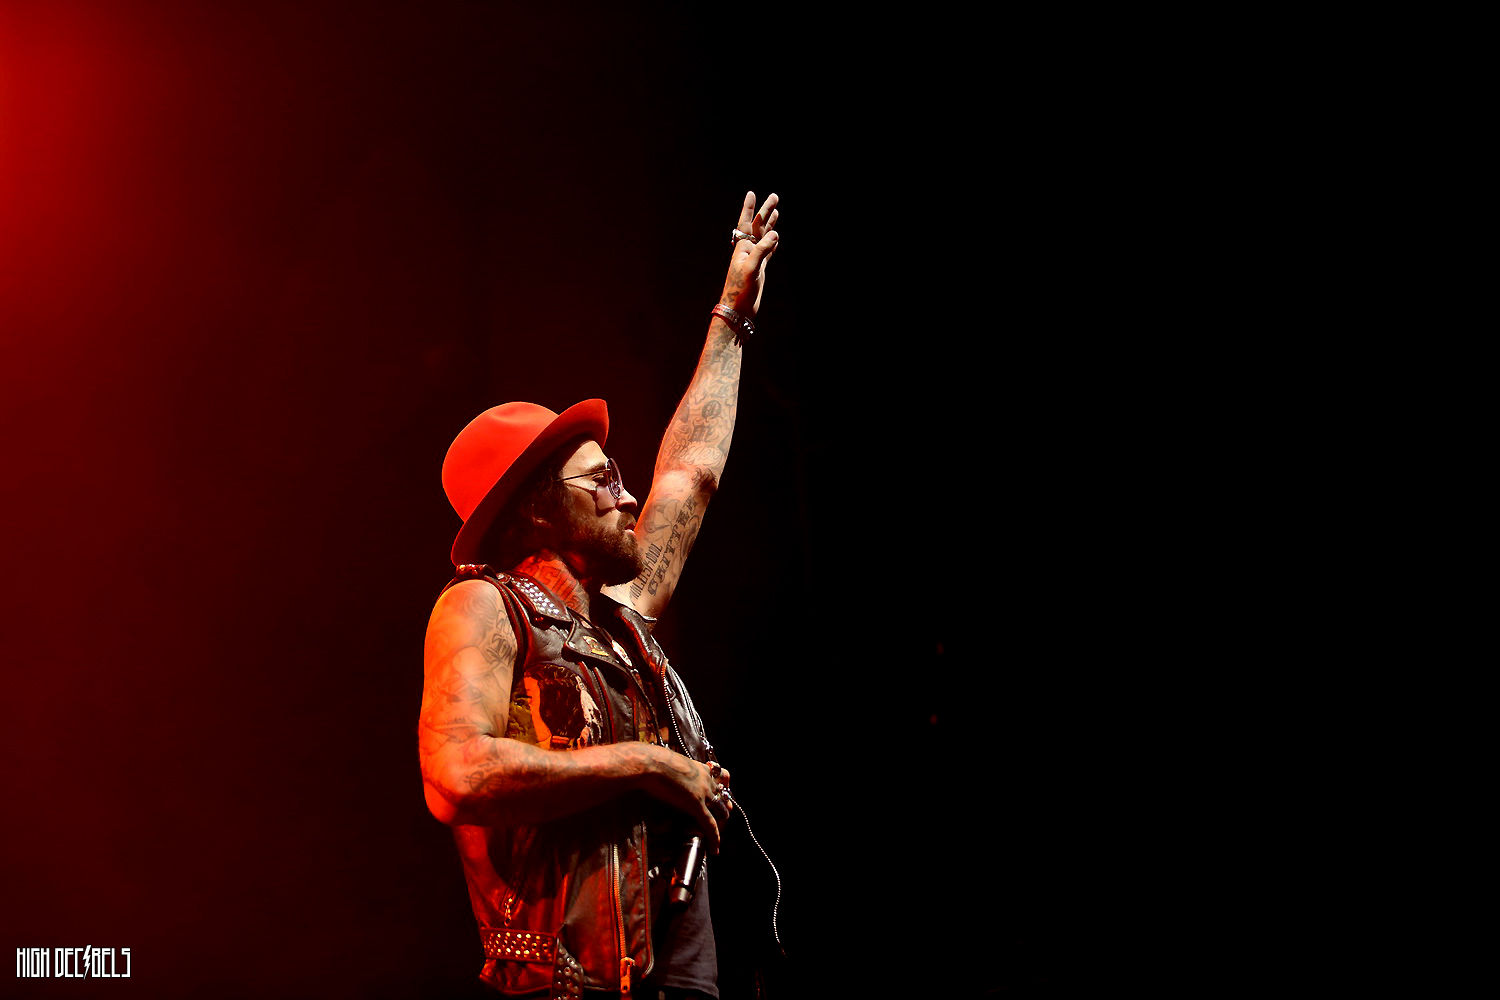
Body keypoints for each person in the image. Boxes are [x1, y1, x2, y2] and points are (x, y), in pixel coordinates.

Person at [419, 191, 781, 999]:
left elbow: (692, 472)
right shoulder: (485, 608)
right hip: (568, 985)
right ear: (538, 511)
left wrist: (731, 316)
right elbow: (455, 772)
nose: (628, 494)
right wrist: (651, 765)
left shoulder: (622, 616)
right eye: (602, 481)